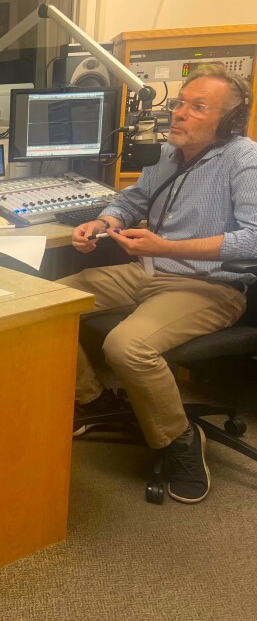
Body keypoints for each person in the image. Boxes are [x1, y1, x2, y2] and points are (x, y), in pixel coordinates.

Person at [59, 64, 257, 504]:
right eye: (180, 102)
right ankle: (93, 401)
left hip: (213, 287)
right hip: (149, 271)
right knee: (45, 303)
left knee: (126, 345)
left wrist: (167, 247)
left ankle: (180, 441)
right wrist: (103, 221)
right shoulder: (168, 154)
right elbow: (133, 199)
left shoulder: (245, 159)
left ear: (228, 121)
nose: (180, 113)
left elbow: (254, 238)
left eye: (198, 107)